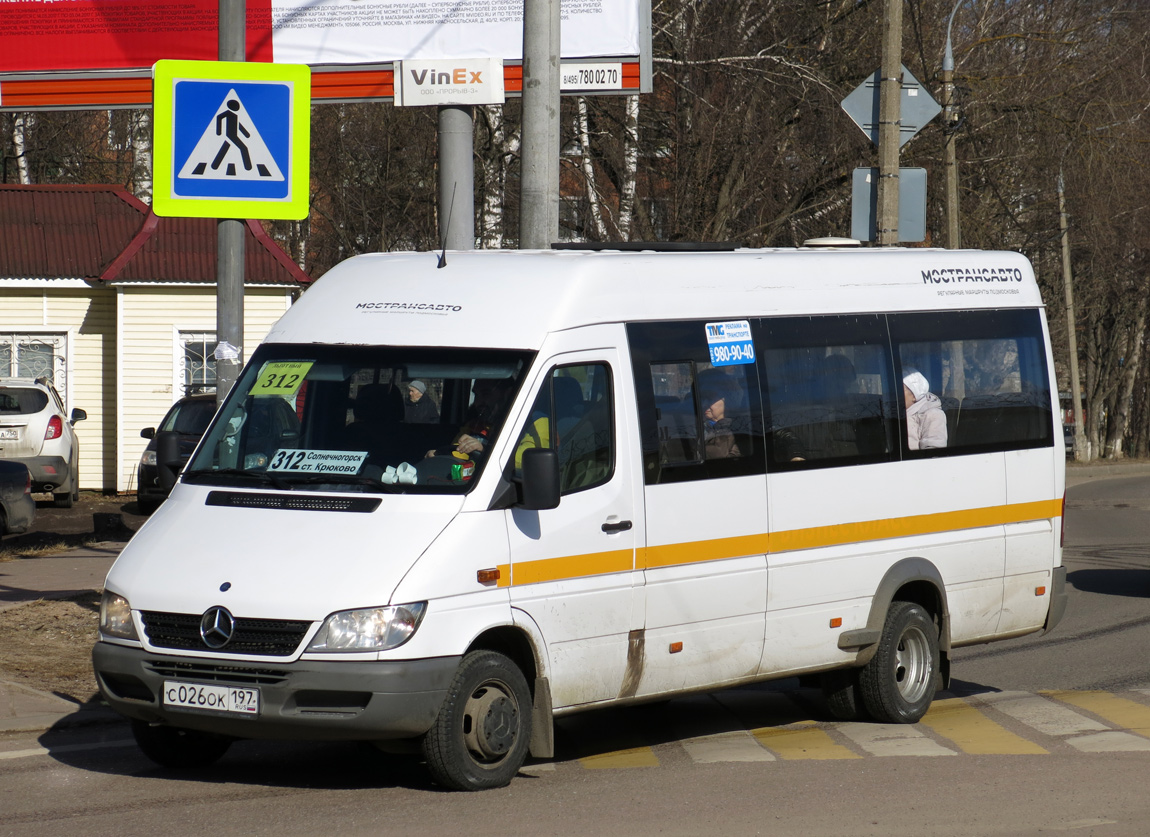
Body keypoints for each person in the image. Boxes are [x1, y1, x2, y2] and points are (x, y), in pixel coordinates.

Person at [903, 369, 947, 450]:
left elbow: (933, 452)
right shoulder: (889, 414)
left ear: (914, 395)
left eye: (901, 390)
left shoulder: (933, 414)